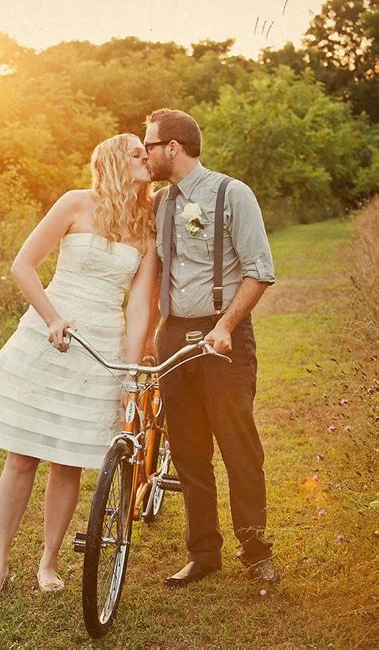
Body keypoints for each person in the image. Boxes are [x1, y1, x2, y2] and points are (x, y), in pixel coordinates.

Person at [0, 133, 158, 600]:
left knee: (68, 460)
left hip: (103, 344)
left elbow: (139, 307)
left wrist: (130, 372)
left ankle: (49, 561)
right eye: (138, 153)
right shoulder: (76, 203)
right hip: (49, 336)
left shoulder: (148, 225)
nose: (147, 159)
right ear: (115, 161)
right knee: (22, 456)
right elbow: (23, 265)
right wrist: (52, 318)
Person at [144, 109, 278, 587]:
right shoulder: (159, 202)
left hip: (223, 334)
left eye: (151, 144)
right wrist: (150, 335)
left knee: (238, 444)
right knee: (187, 449)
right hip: (174, 335)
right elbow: (155, 273)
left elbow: (260, 268)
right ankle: (204, 553)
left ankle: (255, 548)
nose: (146, 151)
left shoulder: (232, 193)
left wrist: (225, 325)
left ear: (173, 147)